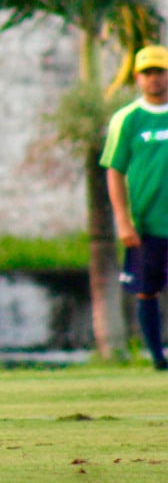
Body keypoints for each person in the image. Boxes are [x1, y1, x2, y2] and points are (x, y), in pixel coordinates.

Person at [102, 44, 168, 371]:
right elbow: (114, 170)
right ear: (138, 78)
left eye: (160, 71)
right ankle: (157, 358)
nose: (154, 79)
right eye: (147, 73)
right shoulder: (127, 119)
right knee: (147, 290)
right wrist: (123, 220)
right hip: (146, 224)